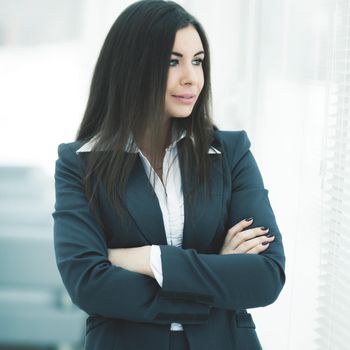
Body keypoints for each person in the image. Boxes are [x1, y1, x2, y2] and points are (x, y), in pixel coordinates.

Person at [52, 1, 286, 349]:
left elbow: (266, 277)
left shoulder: (230, 153)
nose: (191, 77)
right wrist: (217, 272)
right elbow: (88, 284)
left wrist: (149, 259)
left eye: (198, 61)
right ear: (132, 67)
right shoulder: (79, 163)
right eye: (172, 61)